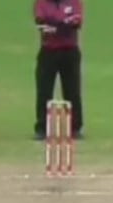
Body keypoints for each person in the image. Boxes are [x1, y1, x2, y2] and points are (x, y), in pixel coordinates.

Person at [33, 0, 85, 139]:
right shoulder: (42, 3)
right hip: (48, 52)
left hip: (69, 52)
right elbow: (40, 22)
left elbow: (76, 22)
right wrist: (62, 23)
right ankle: (42, 128)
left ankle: (75, 127)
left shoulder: (74, 2)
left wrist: (56, 25)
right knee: (44, 91)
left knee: (72, 90)